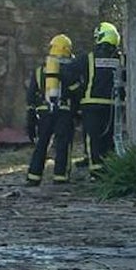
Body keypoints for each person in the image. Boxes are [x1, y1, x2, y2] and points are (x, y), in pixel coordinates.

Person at [25, 33, 82, 186]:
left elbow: (31, 94)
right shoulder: (71, 68)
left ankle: (33, 177)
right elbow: (76, 91)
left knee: (42, 144)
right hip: (64, 111)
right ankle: (60, 177)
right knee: (63, 144)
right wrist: (78, 111)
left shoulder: (41, 70)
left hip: (44, 112)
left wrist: (30, 115)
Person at [75, 21, 124, 178]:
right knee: (109, 138)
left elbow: (69, 72)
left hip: (92, 104)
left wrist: (77, 91)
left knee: (93, 138)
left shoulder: (88, 58)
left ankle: (96, 171)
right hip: (114, 106)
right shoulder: (121, 59)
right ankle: (110, 169)